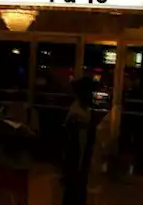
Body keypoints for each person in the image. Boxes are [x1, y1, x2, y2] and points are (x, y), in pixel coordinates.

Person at [0, 101, 38, 205]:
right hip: (20, 163)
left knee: (6, 191)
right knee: (19, 193)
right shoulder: (26, 131)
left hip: (6, 162)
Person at [58, 77, 96, 205]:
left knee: (76, 190)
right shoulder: (77, 113)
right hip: (75, 158)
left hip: (78, 157)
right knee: (74, 190)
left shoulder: (79, 110)